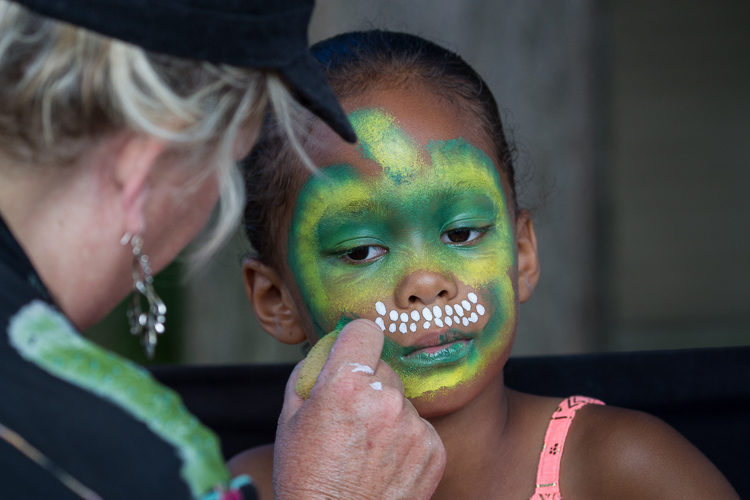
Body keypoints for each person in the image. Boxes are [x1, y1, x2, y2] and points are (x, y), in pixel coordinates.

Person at [234, 30, 740, 500]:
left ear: (521, 255)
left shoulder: (622, 469)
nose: (426, 282)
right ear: (275, 300)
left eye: (461, 233)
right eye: (362, 250)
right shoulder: (254, 487)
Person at [0, 1, 445, 497]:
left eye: (462, 233)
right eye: (225, 164)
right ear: (140, 172)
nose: (425, 282)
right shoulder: (137, 467)